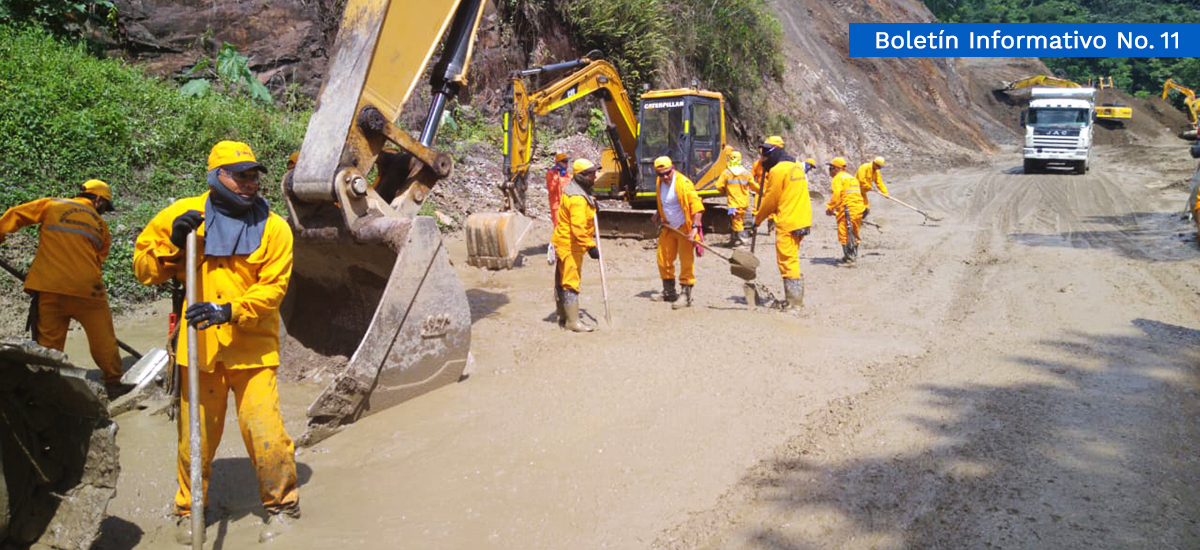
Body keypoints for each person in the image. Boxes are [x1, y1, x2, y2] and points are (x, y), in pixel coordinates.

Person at [132, 141, 299, 545]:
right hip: (199, 350)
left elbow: (273, 289)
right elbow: (143, 270)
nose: (250, 182)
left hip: (252, 349)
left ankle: (282, 507)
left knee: (266, 432)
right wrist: (174, 242)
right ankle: (189, 510)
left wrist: (229, 311)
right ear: (217, 177)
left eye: (254, 175)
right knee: (196, 441)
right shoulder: (184, 216)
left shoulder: (274, 227)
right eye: (240, 175)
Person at [0, 179, 129, 398]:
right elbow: (99, 259)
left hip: (49, 288)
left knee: (49, 345)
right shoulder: (100, 226)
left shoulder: (53, 205)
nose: (104, 212)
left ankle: (48, 389)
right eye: (105, 206)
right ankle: (114, 383)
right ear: (98, 200)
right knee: (104, 339)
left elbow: (16, 214)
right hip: (87, 291)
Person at [752, 138, 812, 311]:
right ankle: (795, 301)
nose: (763, 158)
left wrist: (757, 220)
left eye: (766, 154)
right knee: (793, 258)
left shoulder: (778, 170)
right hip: (802, 219)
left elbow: (771, 199)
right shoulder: (796, 167)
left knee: (787, 261)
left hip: (788, 221)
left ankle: (794, 305)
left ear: (776, 151)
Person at [552, 158, 601, 332]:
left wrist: (593, 205)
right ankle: (572, 321)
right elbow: (578, 228)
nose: (595, 176)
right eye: (592, 174)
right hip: (570, 245)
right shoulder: (578, 199)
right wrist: (590, 246)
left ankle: (563, 317)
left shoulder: (576, 190)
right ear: (582, 176)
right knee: (570, 282)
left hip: (564, 241)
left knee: (562, 279)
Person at [650, 156, 704, 309]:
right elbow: (665, 202)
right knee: (663, 259)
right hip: (668, 227)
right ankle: (669, 292)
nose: (665, 177)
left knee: (686, 262)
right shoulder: (659, 182)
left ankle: (686, 296)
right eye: (661, 174)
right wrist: (658, 214)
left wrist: (694, 229)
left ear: (672, 168)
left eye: (667, 173)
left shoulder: (684, 184)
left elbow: (697, 207)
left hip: (684, 228)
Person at [826, 157, 865, 265]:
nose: (830, 171)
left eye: (831, 168)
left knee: (844, 233)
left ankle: (849, 258)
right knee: (854, 232)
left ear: (836, 168)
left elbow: (836, 195)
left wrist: (830, 208)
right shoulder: (851, 178)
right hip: (858, 208)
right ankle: (853, 255)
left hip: (847, 209)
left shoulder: (838, 178)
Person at [715, 150, 753, 247]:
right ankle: (733, 240)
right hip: (744, 203)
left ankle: (742, 241)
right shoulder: (746, 173)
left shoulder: (726, 173)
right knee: (736, 220)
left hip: (732, 204)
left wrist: (723, 191)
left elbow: (718, 186)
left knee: (736, 221)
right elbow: (755, 186)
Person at [855, 157, 890, 221]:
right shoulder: (864, 167)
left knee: (866, 209)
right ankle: (852, 220)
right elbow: (861, 180)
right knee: (857, 207)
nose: (878, 169)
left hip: (862, 192)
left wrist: (885, 192)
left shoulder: (877, 172)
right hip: (854, 190)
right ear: (874, 163)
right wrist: (869, 187)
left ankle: (859, 221)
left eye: (880, 167)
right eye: (878, 167)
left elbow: (879, 182)